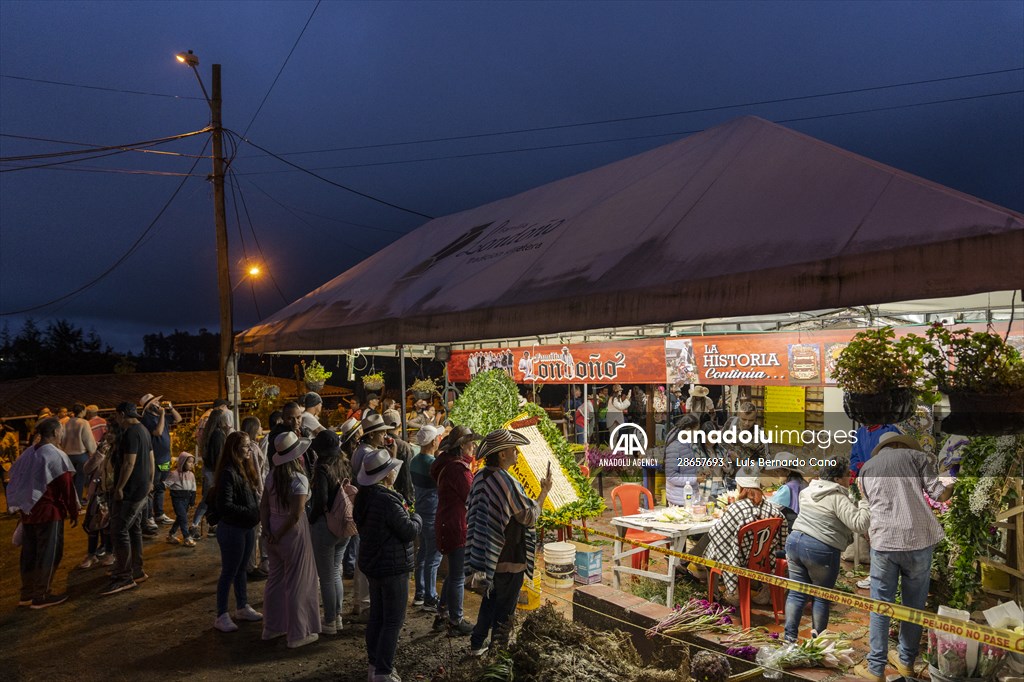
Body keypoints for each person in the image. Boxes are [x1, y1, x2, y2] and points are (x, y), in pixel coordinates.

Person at [853, 432, 953, 682]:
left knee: (880, 605)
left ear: (883, 448)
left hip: (884, 542)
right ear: (901, 444)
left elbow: (869, 505)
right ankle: (906, 662)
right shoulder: (916, 457)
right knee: (914, 605)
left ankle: (876, 668)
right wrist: (953, 477)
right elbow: (940, 495)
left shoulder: (866, 468)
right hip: (918, 540)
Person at [466, 429, 552, 657]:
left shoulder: (480, 476)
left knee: (490, 600)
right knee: (505, 610)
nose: (517, 453)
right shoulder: (505, 481)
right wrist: (544, 492)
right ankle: (498, 653)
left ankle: (476, 643)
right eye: (513, 449)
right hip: (508, 555)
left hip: (487, 555)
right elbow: (528, 516)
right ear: (502, 454)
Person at [354, 448, 421, 682]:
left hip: (374, 565)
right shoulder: (386, 500)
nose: (394, 472)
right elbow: (408, 531)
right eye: (391, 470)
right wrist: (417, 517)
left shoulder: (365, 497)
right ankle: (384, 670)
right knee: (393, 620)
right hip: (392, 566)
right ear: (384, 476)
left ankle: (374, 666)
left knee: (378, 616)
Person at [784, 457, 869, 642]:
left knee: (796, 593)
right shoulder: (837, 498)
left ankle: (789, 640)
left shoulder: (807, 491)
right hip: (820, 549)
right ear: (837, 479)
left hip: (794, 542)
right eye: (846, 474)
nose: (849, 478)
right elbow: (860, 524)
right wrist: (864, 501)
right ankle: (818, 643)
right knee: (821, 596)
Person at [8, 418, 78, 608]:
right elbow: (66, 487)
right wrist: (73, 511)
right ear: (55, 433)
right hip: (49, 513)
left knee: (29, 553)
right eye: (61, 431)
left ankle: (27, 593)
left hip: (28, 512)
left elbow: (15, 479)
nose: (62, 434)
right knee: (49, 554)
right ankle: (41, 594)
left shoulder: (27, 453)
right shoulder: (55, 455)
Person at [261, 432, 321, 649]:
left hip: (273, 526)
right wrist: (278, 533)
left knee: (275, 580)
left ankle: (272, 627)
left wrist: (268, 529)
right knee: (298, 582)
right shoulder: (298, 479)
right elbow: (296, 514)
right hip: (293, 533)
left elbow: (264, 505)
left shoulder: (271, 476)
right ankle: (297, 633)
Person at [699, 467, 787, 605]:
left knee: (712, 549)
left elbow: (715, 533)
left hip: (739, 562)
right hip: (762, 560)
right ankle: (735, 591)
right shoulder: (771, 509)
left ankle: (725, 594)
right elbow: (783, 532)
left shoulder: (737, 508)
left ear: (741, 487)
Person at [212, 431, 263, 632]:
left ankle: (242, 606)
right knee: (229, 571)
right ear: (235, 450)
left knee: (242, 569)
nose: (250, 449)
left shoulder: (244, 468)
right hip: (232, 528)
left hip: (246, 527)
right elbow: (225, 505)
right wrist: (249, 512)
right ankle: (221, 614)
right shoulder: (228, 472)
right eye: (246, 446)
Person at [101, 402, 154, 596]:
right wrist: (150, 481)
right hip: (142, 488)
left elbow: (128, 463)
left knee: (119, 530)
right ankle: (136, 569)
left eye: (116, 415)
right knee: (134, 529)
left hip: (130, 490)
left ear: (121, 414)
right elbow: (151, 458)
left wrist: (120, 487)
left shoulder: (131, 433)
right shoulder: (144, 430)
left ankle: (124, 576)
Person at [431, 426, 481, 635]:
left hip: (446, 521)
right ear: (461, 447)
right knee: (458, 576)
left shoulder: (444, 463)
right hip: (457, 524)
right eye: (470, 443)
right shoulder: (459, 470)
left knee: (453, 574)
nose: (474, 446)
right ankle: (456, 621)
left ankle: (442, 614)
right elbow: (472, 497)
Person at [349, 412, 397, 620]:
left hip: (363, 504)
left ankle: (359, 601)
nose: (384, 435)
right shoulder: (368, 453)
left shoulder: (360, 450)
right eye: (381, 432)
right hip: (370, 505)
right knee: (367, 555)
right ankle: (365, 603)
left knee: (363, 553)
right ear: (371, 435)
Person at [308, 429, 355, 635]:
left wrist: (311, 520)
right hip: (344, 524)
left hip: (325, 526)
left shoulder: (322, 468)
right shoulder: (345, 464)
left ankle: (329, 620)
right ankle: (337, 617)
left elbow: (321, 500)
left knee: (326, 576)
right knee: (336, 572)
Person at [411, 424, 444, 610]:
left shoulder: (414, 460)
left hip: (419, 512)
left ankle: (420, 593)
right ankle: (431, 597)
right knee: (434, 557)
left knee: (422, 553)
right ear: (433, 442)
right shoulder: (433, 464)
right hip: (432, 513)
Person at [78, 423, 117, 567]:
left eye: (112, 432)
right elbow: (87, 469)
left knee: (108, 525)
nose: (109, 435)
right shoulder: (101, 450)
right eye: (107, 432)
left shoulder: (120, 451)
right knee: (93, 524)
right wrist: (99, 454)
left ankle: (109, 553)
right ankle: (91, 554)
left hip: (111, 492)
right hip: (98, 493)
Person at [140, 393, 180, 527]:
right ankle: (149, 516)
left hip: (165, 458)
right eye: (156, 402)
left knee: (161, 486)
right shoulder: (146, 419)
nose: (158, 403)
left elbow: (178, 419)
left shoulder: (160, 416)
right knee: (151, 488)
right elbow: (157, 432)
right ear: (149, 406)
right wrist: (162, 415)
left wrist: (171, 408)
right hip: (155, 459)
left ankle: (160, 514)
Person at [192, 409, 231, 539]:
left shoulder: (209, 433)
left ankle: (209, 525)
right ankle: (195, 525)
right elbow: (219, 456)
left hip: (209, 470)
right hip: (214, 472)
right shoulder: (219, 434)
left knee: (209, 499)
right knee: (208, 500)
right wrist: (220, 472)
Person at [241, 416, 269, 579]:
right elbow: (256, 472)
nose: (261, 429)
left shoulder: (247, 446)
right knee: (254, 531)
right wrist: (260, 491)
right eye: (259, 426)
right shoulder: (251, 448)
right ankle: (250, 566)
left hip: (251, 491)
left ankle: (249, 564)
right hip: (255, 492)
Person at [60, 403, 96, 505]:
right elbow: (88, 439)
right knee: (80, 479)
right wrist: (93, 451)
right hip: (81, 454)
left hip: (67, 454)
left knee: (68, 480)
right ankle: (77, 501)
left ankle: (67, 500)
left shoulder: (65, 422)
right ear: (82, 411)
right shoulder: (84, 422)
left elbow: (61, 438)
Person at [665, 414, 701, 506]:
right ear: (688, 430)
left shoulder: (689, 444)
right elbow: (671, 476)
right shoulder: (674, 447)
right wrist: (695, 479)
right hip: (679, 499)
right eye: (696, 430)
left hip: (690, 496)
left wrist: (700, 471)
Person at [165, 451, 197, 547]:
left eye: (192, 462)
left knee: (180, 518)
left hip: (187, 500)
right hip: (177, 500)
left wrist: (192, 500)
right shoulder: (174, 474)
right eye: (189, 462)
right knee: (183, 518)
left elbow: (193, 488)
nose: (191, 464)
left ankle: (171, 534)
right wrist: (156, 486)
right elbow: (166, 484)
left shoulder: (191, 475)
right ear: (182, 462)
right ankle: (187, 537)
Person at [768, 459, 809, 530]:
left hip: (792, 526)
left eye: (778, 471)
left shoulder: (788, 487)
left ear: (787, 472)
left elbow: (772, 505)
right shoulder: (802, 482)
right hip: (803, 523)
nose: (776, 474)